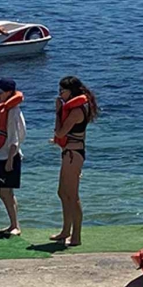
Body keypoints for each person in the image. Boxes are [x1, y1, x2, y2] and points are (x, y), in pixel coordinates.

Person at [52, 76, 98, 248]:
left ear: (71, 92)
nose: (60, 95)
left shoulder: (77, 110)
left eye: (62, 91)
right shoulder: (75, 108)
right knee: (62, 192)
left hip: (73, 154)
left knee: (72, 195)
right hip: (69, 152)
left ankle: (76, 235)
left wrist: (57, 112)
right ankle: (66, 230)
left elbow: (60, 132)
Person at [0, 78, 26, 236]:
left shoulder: (13, 111)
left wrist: (10, 159)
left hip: (9, 156)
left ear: (9, 93)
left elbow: (15, 138)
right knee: (6, 192)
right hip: (3, 155)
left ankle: (15, 225)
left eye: (0, 93)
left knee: (5, 192)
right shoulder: (7, 109)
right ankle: (13, 225)